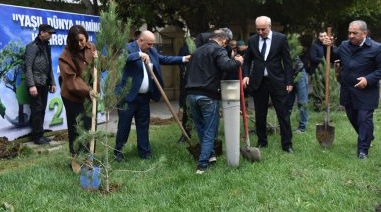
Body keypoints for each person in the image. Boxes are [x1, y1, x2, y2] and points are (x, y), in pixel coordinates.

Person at [114, 30, 190, 161]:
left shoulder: (152, 51)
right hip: (128, 97)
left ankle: (145, 152)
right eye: (149, 44)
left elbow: (164, 59)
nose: (151, 47)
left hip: (144, 97)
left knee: (143, 125)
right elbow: (123, 59)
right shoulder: (127, 48)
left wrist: (183, 59)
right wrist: (139, 54)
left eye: (153, 44)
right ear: (141, 40)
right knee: (124, 126)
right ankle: (118, 153)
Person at [185, 29, 243, 174]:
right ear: (223, 41)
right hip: (208, 96)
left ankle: (210, 156)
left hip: (191, 95)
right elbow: (227, 66)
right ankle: (202, 165)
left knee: (201, 128)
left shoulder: (197, 51)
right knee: (210, 130)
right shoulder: (218, 50)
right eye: (226, 43)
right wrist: (238, 61)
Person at [323, 20, 381, 159]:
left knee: (364, 118)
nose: (351, 35)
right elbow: (332, 58)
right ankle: (367, 136)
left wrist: (368, 79)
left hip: (367, 92)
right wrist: (328, 46)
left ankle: (362, 151)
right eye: (350, 32)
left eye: (355, 33)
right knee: (352, 116)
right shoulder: (344, 45)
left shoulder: (376, 48)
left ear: (365, 33)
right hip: (348, 90)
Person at [242, 16, 294, 153]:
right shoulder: (252, 40)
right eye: (257, 29)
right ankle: (262, 141)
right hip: (259, 82)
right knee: (260, 114)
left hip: (278, 81)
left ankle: (287, 145)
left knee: (283, 113)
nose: (260, 32)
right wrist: (246, 75)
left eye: (262, 29)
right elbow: (247, 60)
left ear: (269, 26)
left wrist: (289, 81)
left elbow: (288, 62)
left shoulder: (280, 39)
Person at [58, 25, 98, 166]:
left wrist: (99, 60)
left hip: (90, 94)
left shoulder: (91, 47)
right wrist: (88, 91)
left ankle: (89, 158)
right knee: (77, 126)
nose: (81, 44)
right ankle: (75, 159)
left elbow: (100, 66)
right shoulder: (65, 56)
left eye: (82, 40)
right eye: (77, 42)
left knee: (90, 125)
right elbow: (71, 79)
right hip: (73, 96)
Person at [25, 24, 57, 145]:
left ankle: (40, 134)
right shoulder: (32, 47)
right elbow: (27, 67)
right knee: (37, 109)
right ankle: (37, 137)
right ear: (42, 33)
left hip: (44, 83)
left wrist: (52, 82)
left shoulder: (46, 46)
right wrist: (31, 85)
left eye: (51, 34)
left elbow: (49, 66)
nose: (50, 36)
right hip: (35, 83)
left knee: (42, 109)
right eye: (49, 33)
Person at [285, 57, 309, 133]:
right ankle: (284, 126)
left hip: (299, 73)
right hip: (287, 76)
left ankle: (302, 127)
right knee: (287, 102)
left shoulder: (290, 47)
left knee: (302, 102)